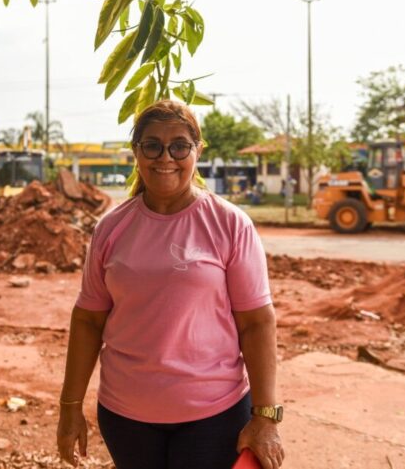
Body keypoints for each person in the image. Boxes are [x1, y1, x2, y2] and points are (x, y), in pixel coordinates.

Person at [56, 100, 284, 469]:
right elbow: (88, 321)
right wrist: (69, 408)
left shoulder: (230, 224)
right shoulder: (111, 229)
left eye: (179, 145)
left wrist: (265, 417)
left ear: (198, 151)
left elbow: (257, 322)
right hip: (125, 417)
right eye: (152, 145)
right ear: (136, 152)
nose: (166, 157)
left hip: (215, 415)